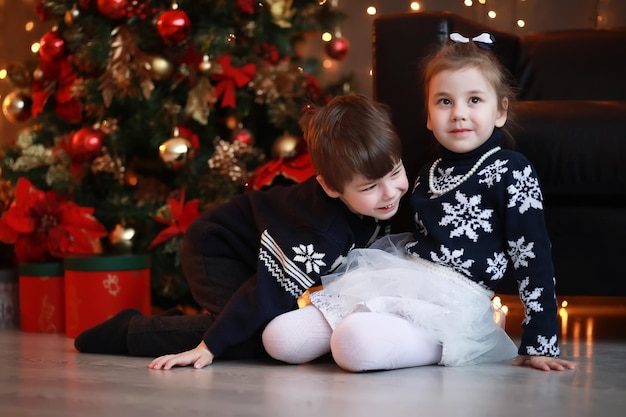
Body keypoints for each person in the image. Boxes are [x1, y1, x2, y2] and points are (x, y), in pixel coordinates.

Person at [262, 33, 577, 373]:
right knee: (280, 339)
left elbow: (533, 256)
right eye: (444, 102)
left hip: (455, 304)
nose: (458, 113)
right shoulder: (425, 173)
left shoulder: (511, 170)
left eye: (474, 100)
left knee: (353, 343)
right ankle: (378, 327)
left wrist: (540, 340)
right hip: (401, 275)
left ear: (500, 111)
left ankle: (421, 341)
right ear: (428, 116)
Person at [73, 93, 410, 370]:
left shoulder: (381, 196)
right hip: (216, 246)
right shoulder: (319, 233)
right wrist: (209, 346)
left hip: (262, 247)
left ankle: (180, 326)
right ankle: (128, 332)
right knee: (252, 336)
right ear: (330, 186)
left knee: (256, 328)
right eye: (370, 188)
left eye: (395, 173)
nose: (390, 192)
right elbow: (264, 293)